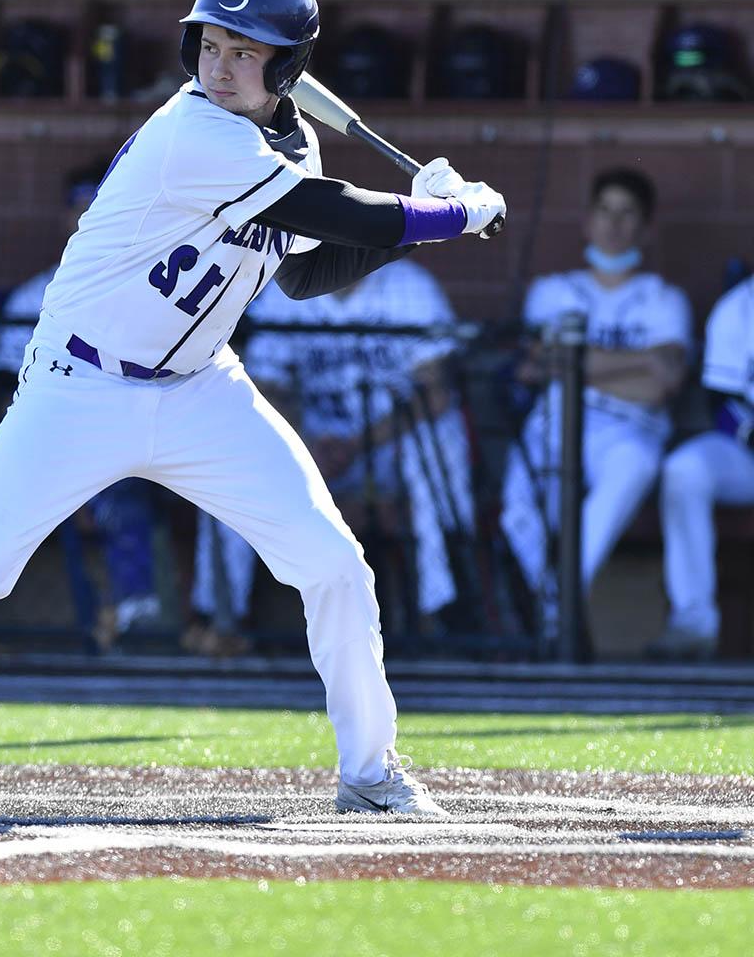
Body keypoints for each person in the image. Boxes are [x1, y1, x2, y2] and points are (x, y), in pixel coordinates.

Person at [0, 0, 505, 817]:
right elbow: (336, 213)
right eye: (212, 45)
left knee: (334, 564)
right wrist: (451, 213)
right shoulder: (192, 133)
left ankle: (369, 769)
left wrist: (412, 225)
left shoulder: (290, 143)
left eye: (246, 53)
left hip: (201, 389)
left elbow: (307, 271)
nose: (220, 66)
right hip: (79, 385)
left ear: (287, 70)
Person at [0, 164, 161, 649]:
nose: (88, 215)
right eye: (80, 207)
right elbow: (2, 388)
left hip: (108, 436)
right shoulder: (34, 294)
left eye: (99, 203)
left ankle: (137, 620)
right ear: (67, 216)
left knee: (124, 500)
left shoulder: (150, 288)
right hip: (30, 430)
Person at [185, 256, 476, 655]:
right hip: (311, 450)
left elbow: (437, 392)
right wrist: (302, 447)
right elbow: (264, 388)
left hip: (390, 451)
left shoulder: (407, 286)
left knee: (439, 434)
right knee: (233, 445)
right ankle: (219, 615)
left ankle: (442, 607)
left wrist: (358, 446)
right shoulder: (284, 288)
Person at [499, 168, 691, 637]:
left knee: (635, 466)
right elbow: (535, 366)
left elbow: (661, 384)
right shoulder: (553, 290)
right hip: (556, 419)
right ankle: (550, 611)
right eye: (605, 210)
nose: (614, 224)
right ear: (587, 220)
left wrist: (572, 365)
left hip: (630, 427)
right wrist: (639, 360)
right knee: (518, 509)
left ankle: (556, 602)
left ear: (645, 228)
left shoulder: (664, 299)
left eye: (627, 214)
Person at [650, 273, 754, 659]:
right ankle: (694, 621)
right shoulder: (740, 307)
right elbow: (721, 403)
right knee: (686, 469)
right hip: (747, 452)